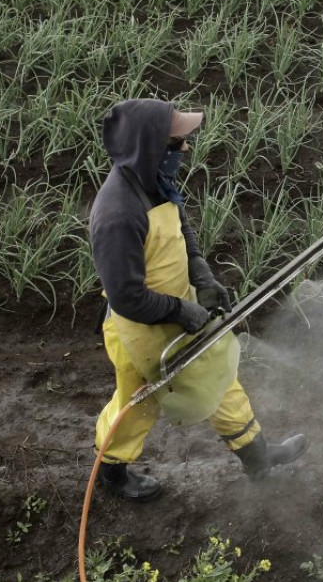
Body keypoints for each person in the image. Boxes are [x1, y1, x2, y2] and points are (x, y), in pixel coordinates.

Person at [89, 98, 308, 501]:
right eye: (176, 142)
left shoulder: (154, 183)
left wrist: (203, 277)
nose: (185, 149)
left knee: (221, 377)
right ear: (150, 145)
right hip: (141, 329)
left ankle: (258, 459)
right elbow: (126, 297)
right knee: (138, 404)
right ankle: (112, 473)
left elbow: (182, 231)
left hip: (179, 309)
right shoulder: (118, 215)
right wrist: (181, 311)